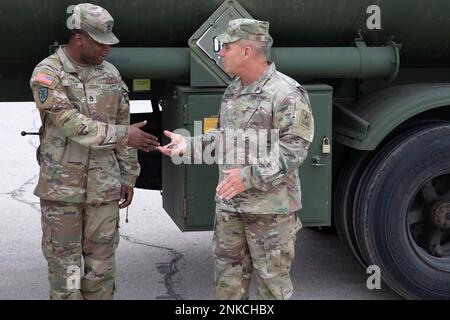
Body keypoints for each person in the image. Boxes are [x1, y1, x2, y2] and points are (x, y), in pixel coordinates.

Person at [159, 18, 314, 300]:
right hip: (230, 207)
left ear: (246, 52)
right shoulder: (234, 89)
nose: (220, 53)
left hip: (270, 212)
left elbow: (293, 150)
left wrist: (246, 177)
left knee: (272, 289)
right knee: (227, 286)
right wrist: (189, 145)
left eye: (226, 47)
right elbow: (224, 136)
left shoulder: (287, 93)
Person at [29, 3, 159, 300]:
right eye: (100, 42)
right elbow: (72, 125)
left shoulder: (110, 74)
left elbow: (123, 121)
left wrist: (128, 176)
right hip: (63, 193)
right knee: (67, 271)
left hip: (104, 190)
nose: (107, 49)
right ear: (79, 37)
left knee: (101, 270)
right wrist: (126, 136)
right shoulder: (48, 74)